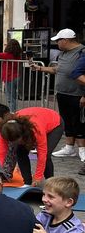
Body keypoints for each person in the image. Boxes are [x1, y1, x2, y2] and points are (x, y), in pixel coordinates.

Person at [32, 29, 85, 161]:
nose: (57, 43)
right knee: (66, 120)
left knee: (79, 122)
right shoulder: (63, 54)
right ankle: (69, 147)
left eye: (58, 41)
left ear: (65, 40)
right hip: (62, 93)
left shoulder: (82, 52)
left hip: (77, 94)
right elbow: (58, 69)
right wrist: (40, 68)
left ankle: (82, 149)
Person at [0, 108, 63, 186]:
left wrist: (37, 177)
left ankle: (51, 183)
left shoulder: (36, 130)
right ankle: (27, 183)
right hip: (38, 119)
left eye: (17, 140)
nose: (15, 143)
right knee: (20, 151)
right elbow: (1, 153)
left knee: (47, 155)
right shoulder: (4, 131)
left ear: (23, 133)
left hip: (54, 122)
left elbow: (42, 155)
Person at [0, 39, 22, 112]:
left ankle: (12, 113)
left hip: (9, 77)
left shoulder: (8, 55)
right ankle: (13, 111)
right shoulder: (17, 55)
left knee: (10, 98)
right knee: (13, 96)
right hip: (16, 77)